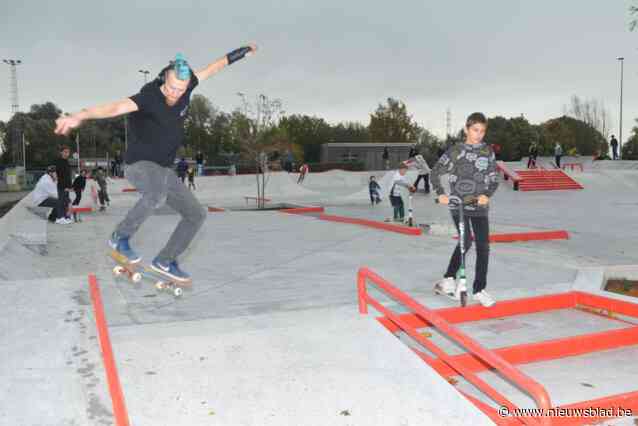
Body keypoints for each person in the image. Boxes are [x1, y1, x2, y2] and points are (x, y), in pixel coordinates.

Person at [54, 44, 258, 282]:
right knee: (157, 194)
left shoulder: (188, 84)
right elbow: (116, 107)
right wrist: (80, 115)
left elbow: (213, 68)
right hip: (139, 164)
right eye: (171, 88)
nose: (175, 94)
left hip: (163, 169)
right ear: (164, 79)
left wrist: (240, 53)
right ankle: (120, 237)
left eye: (181, 90)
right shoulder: (149, 97)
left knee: (196, 214)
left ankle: (165, 260)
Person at [430, 112, 499, 308]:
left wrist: (487, 193)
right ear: (467, 129)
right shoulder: (456, 151)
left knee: (484, 246)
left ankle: (479, 290)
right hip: (458, 204)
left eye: (482, 131)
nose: (479, 134)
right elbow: (435, 172)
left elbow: (494, 178)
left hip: (479, 205)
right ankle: (449, 278)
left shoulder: (488, 152)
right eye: (475, 130)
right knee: (466, 241)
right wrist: (441, 193)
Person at [54, 145, 73, 224]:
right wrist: (63, 186)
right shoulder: (59, 161)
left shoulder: (67, 161)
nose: (67, 153)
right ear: (61, 152)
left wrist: (70, 186)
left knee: (66, 202)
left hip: (67, 186)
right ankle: (59, 218)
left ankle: (65, 217)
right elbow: (59, 175)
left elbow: (68, 175)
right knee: (61, 201)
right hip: (62, 185)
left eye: (68, 152)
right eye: (65, 152)